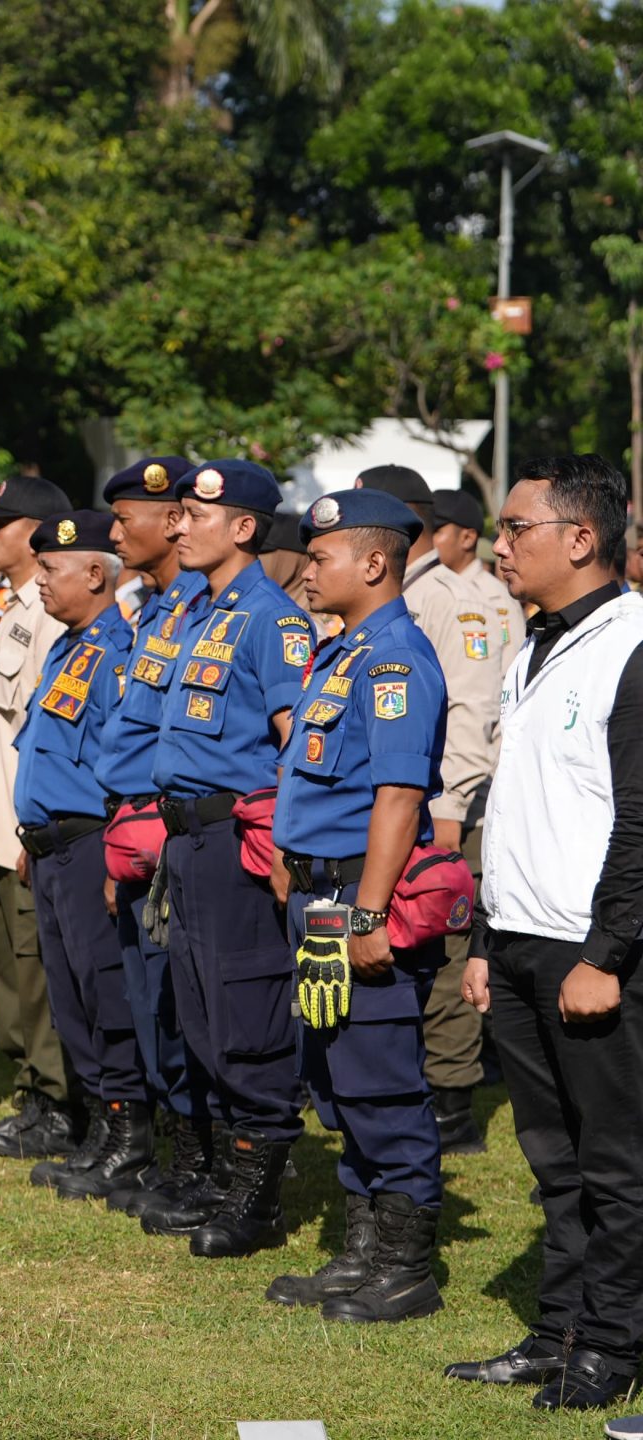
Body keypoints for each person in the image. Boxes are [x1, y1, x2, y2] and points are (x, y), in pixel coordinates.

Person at [450, 454, 643, 1411]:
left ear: (581, 537)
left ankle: (612, 1342)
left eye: (517, 526)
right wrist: (487, 937)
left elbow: (640, 821)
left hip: (593, 950)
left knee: (615, 1161)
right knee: (551, 1158)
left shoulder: (633, 644)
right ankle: (559, 1328)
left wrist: (607, 955)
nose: (499, 544)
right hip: (522, 938)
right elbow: (524, 807)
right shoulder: (534, 644)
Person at [262, 486, 451, 1322]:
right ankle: (363, 1252)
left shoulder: (393, 660)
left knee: (379, 1081)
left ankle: (407, 1268)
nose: (308, 570)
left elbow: (399, 798)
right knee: (338, 1076)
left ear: (374, 563)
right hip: (320, 898)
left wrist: (370, 913)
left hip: (353, 901)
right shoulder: (343, 654)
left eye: (324, 555)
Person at [149, 459, 313, 1258]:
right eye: (176, 515)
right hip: (187, 838)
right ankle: (222, 1174)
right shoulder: (202, 611)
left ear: (243, 527)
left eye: (193, 515)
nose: (177, 526)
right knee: (202, 1013)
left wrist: (283, 846)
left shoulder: (269, 619)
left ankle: (259, 1194)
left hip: (239, 843)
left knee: (245, 1014)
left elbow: (297, 743)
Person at [13, 512, 154, 1201]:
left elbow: (125, 768)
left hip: (92, 845)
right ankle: (99, 1129)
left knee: (106, 994)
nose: (38, 581)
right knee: (70, 997)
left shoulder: (118, 652)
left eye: (50, 570)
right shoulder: (66, 649)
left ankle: (128, 1137)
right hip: (49, 849)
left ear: (95, 574)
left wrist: (114, 860)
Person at [93, 457, 216, 1225]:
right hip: (139, 835)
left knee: (195, 1009)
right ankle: (179, 1154)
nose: (114, 533)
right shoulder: (160, 612)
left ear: (172, 520)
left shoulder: (211, 612)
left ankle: (209, 1161)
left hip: (188, 835)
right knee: (155, 1006)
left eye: (124, 517)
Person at [385, 479, 520, 1154]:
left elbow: (473, 713)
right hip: (408, 803)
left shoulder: (451, 598)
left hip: (445, 807)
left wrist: (448, 808)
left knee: (443, 954)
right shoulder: (415, 592)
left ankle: (451, 1107)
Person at [0, 475, 78, 1158]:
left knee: (34, 973)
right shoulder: (17, 606)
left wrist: (33, 824)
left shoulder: (52, 613)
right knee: (7, 968)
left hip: (22, 826)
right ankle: (32, 1096)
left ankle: (56, 1106)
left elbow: (45, 733)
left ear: (34, 531)